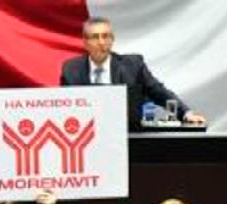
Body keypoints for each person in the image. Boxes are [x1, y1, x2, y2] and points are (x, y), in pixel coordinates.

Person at [60, 17, 207, 130]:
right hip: (88, 134)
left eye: (106, 36)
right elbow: (64, 107)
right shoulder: (71, 69)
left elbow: (158, 91)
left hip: (128, 134)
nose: (101, 42)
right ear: (85, 42)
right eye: (95, 37)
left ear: (112, 40)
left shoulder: (133, 65)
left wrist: (187, 114)